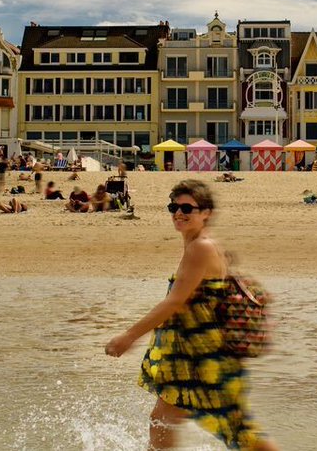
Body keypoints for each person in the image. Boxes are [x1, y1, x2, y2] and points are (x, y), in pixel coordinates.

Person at [104, 179, 276, 451]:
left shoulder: (201, 247)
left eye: (187, 208)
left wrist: (129, 336)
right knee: (164, 420)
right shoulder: (200, 244)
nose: (178, 213)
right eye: (173, 207)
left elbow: (174, 302)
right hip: (194, 354)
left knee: (236, 431)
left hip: (204, 358)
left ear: (206, 212)